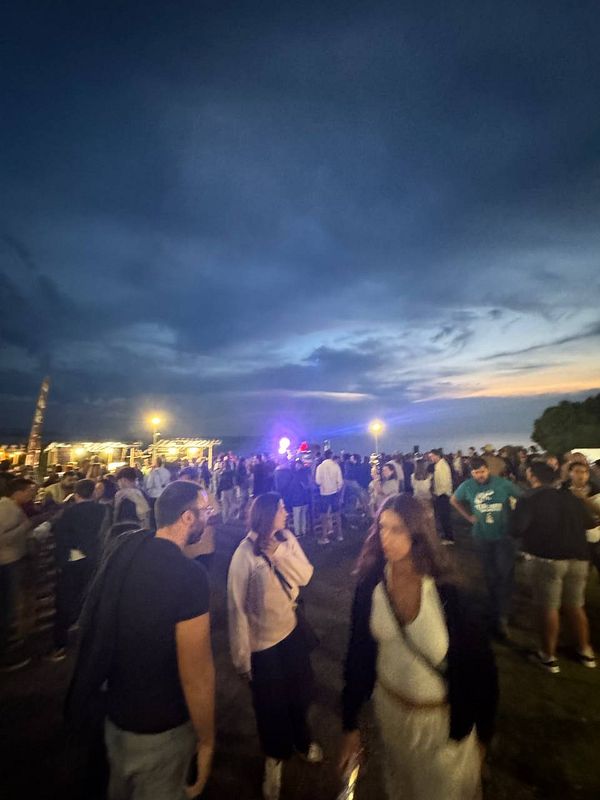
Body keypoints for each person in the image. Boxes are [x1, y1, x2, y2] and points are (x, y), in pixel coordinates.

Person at [339, 493, 497, 800]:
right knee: (400, 788)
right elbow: (358, 655)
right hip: (392, 717)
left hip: (441, 725)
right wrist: (350, 725)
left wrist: (483, 737)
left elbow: (482, 669)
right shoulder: (371, 583)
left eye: (397, 529)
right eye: (382, 527)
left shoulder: (448, 591)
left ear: (418, 533)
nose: (386, 537)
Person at [66, 480, 215, 799]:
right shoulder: (189, 577)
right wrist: (207, 740)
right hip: (162, 730)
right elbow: (197, 677)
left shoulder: (126, 551)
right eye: (206, 511)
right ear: (187, 517)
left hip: (116, 718)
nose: (209, 517)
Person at [227, 493, 322, 800]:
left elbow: (305, 575)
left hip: (291, 634)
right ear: (268, 513)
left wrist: (281, 552)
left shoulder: (287, 539)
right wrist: (242, 659)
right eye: (281, 508)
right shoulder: (244, 555)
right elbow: (236, 609)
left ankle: (302, 739)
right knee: (269, 707)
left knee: (301, 692)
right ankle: (274, 758)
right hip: (262, 647)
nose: (285, 512)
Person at [512, 461, 596, 672]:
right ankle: (586, 652)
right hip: (578, 559)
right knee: (576, 606)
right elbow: (590, 523)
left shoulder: (529, 499)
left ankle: (548, 656)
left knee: (548, 608)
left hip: (547, 560)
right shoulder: (570, 497)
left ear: (532, 476)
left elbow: (515, 529)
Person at [451, 457, 522, 639]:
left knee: (504, 575)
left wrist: (516, 519)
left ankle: (502, 616)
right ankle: (496, 609)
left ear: (487, 469)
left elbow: (522, 497)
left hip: (503, 537)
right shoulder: (467, 486)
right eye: (475, 473)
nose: (479, 476)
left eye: (482, 471)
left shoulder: (503, 484)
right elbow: (454, 500)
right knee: (490, 575)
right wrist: (468, 517)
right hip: (481, 536)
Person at [47, 479, 109, 661]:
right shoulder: (103, 510)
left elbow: (60, 537)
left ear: (76, 494)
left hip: (73, 562)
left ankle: (60, 645)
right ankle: (91, 639)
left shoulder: (69, 512)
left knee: (66, 601)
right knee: (93, 598)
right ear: (94, 493)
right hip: (96, 560)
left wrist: (60, 561)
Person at [0, 478, 38, 671]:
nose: (31, 494)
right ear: (18, 492)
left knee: (9, 606)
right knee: (6, 608)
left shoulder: (13, 506)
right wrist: (25, 527)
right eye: (28, 491)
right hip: (7, 562)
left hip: (13, 560)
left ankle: (6, 644)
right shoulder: (5, 508)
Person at [180, 467, 220, 573]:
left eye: (186, 481)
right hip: (186, 551)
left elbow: (215, 518)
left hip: (202, 551)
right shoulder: (184, 496)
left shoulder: (206, 497)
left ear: (196, 480)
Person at [315, 449, 344, 544]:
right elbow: (340, 481)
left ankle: (325, 537)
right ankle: (339, 535)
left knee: (324, 516)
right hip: (334, 492)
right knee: (337, 514)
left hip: (324, 493)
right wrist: (337, 489)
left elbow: (318, 481)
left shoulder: (320, 467)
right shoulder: (336, 466)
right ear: (331, 456)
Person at [429, 450, 454, 542]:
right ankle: (447, 536)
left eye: (432, 456)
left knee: (445, 517)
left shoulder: (442, 466)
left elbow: (444, 482)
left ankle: (449, 538)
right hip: (441, 494)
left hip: (443, 495)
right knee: (443, 517)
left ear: (437, 456)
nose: (430, 458)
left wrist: (438, 493)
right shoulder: (440, 465)